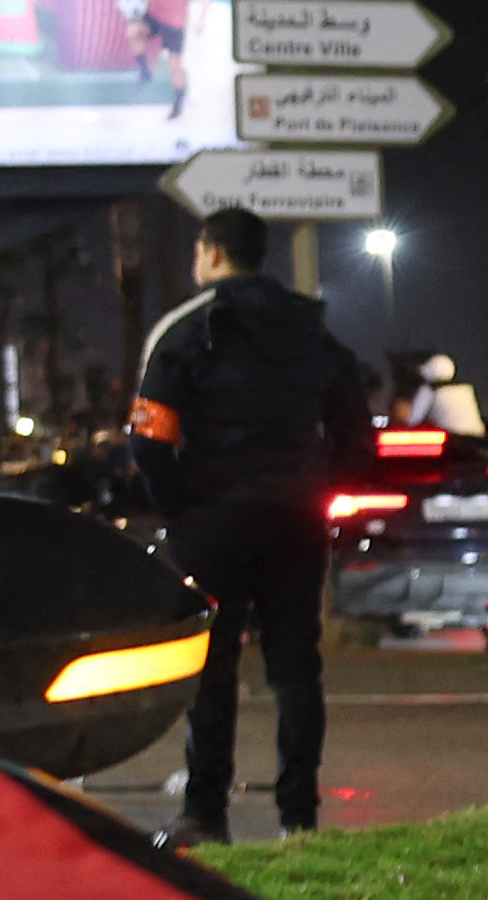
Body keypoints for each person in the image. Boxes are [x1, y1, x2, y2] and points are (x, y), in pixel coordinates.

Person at [127, 206, 376, 845]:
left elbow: (149, 435)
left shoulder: (188, 328)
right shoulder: (312, 331)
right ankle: (300, 817)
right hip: (296, 519)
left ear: (212, 252)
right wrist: (319, 489)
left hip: (214, 519)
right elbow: (356, 433)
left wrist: (181, 506)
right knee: (297, 668)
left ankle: (206, 813)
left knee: (212, 669)